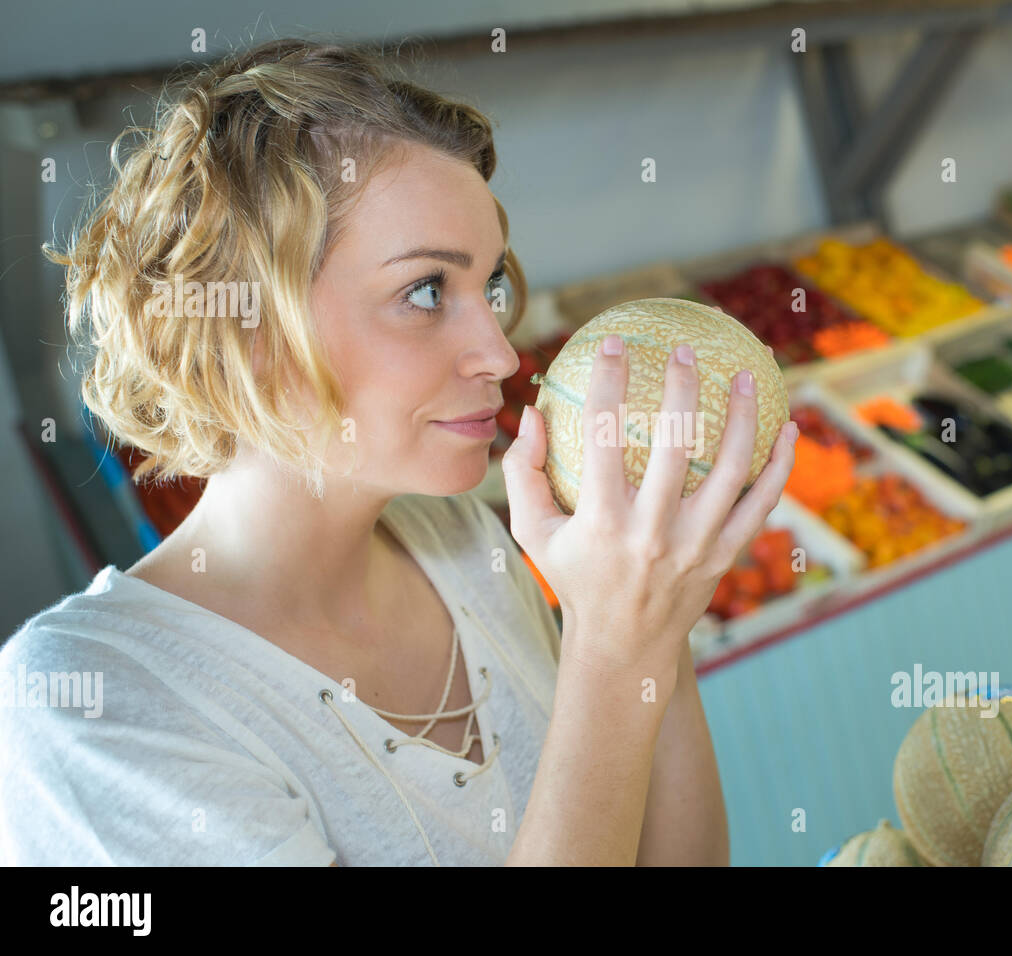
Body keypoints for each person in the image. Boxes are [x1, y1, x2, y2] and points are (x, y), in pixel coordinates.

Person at [0, 38, 797, 865]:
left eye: (489, 288)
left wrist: (652, 625)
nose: (501, 352)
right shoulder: (85, 706)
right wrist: (614, 647)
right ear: (248, 331)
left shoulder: (465, 547)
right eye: (425, 291)